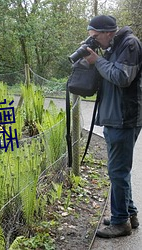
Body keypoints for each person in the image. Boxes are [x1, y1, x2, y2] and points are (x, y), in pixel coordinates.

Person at [84, 15, 142, 238]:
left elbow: (121, 77)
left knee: (117, 171)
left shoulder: (130, 44)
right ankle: (129, 214)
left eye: (96, 37)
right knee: (119, 171)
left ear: (108, 32)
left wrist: (97, 61)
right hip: (114, 117)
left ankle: (120, 223)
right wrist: (94, 60)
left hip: (124, 118)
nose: (95, 41)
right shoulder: (113, 46)